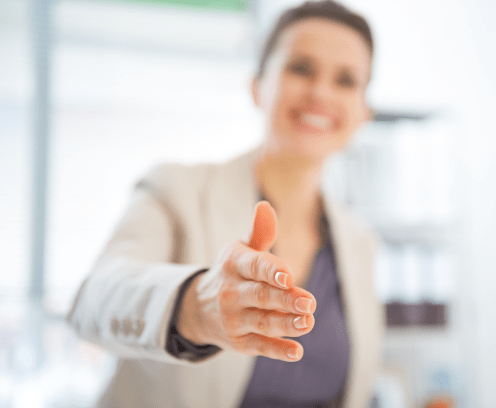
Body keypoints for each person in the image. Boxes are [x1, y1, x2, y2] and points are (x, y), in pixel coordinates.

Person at [67, 1, 385, 407]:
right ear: (257, 87)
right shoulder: (176, 189)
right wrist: (195, 306)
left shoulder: (361, 243)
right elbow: (93, 300)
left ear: (364, 113)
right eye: (300, 68)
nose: (321, 92)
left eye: (346, 80)